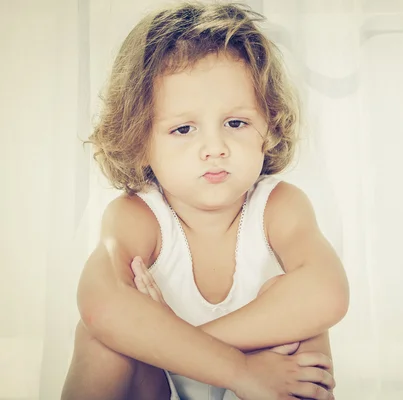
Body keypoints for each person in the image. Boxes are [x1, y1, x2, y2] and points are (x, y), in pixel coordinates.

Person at [60, 2, 349, 400]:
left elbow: (328, 293)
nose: (215, 147)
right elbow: (100, 307)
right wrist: (235, 368)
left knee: (303, 314)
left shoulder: (279, 206)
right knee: (102, 336)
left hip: (265, 383)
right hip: (158, 384)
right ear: (139, 141)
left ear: (268, 125)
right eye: (183, 128)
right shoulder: (138, 215)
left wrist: (184, 342)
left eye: (235, 123)